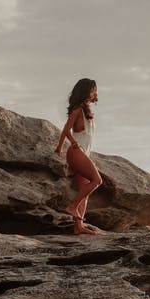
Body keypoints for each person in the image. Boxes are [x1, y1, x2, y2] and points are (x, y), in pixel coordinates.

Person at [55, 78, 103, 235]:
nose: (95, 92)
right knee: (97, 181)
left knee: (85, 190)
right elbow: (66, 130)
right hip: (76, 152)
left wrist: (60, 147)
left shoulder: (87, 111)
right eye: (93, 89)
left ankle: (78, 227)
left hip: (83, 153)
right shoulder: (77, 110)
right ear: (86, 91)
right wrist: (63, 146)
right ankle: (72, 207)